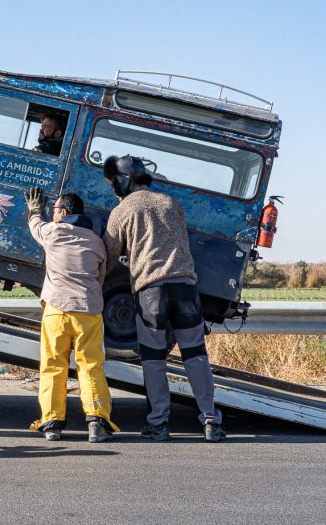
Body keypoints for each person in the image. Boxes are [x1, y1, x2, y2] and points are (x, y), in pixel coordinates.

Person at [101, 155, 225, 442]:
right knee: (195, 355)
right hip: (185, 288)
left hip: (152, 290)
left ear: (121, 182)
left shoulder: (122, 211)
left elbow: (107, 256)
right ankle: (210, 422)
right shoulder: (170, 202)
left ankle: (158, 423)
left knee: (154, 359)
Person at [25, 187, 119, 442]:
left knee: (53, 366)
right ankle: (97, 423)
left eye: (54, 210)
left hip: (56, 310)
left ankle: (52, 423)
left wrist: (34, 209)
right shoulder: (96, 242)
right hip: (88, 312)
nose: (52, 213)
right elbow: (100, 277)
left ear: (63, 213)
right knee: (90, 366)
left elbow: (35, 225)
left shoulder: (52, 232)